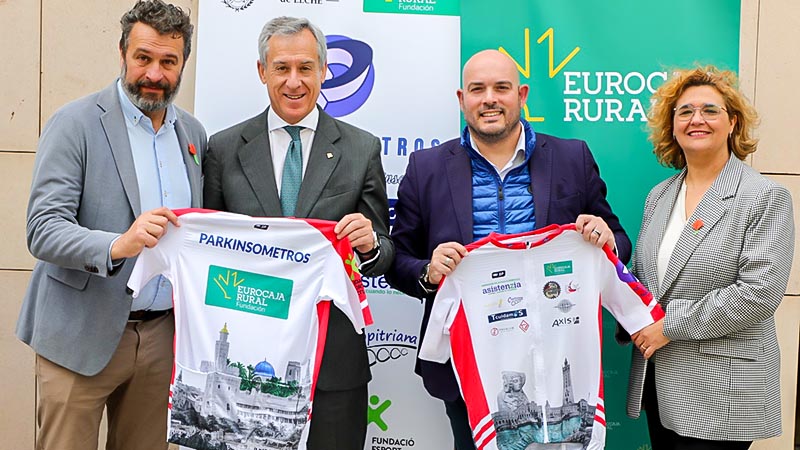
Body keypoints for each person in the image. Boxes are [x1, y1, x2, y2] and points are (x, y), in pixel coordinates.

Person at [384, 49, 631, 450]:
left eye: (501, 88)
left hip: (556, 351)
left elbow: (619, 242)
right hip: (469, 363)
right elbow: (397, 260)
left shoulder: (572, 158)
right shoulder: (426, 167)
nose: (490, 99)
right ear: (461, 99)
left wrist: (606, 238)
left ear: (522, 95)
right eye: (477, 89)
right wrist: (428, 271)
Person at [15, 1, 205, 449]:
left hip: (162, 339)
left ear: (183, 64)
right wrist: (119, 244)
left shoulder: (193, 134)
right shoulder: (75, 123)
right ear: (122, 53)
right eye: (143, 57)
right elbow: (43, 228)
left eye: (168, 62)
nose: (154, 73)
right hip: (79, 336)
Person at [202, 16, 394, 450]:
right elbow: (209, 255)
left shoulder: (361, 148)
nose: (294, 81)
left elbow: (384, 253)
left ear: (323, 71)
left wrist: (369, 244)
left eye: (306, 68)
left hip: (334, 364)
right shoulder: (224, 148)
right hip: (248, 362)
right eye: (282, 68)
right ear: (262, 71)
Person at [625, 66, 794, 450]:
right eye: (684, 111)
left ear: (733, 123)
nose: (696, 119)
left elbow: (758, 294)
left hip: (721, 393)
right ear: (672, 127)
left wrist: (668, 326)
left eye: (710, 110)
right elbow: (644, 276)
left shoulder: (764, 196)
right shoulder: (659, 195)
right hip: (660, 387)